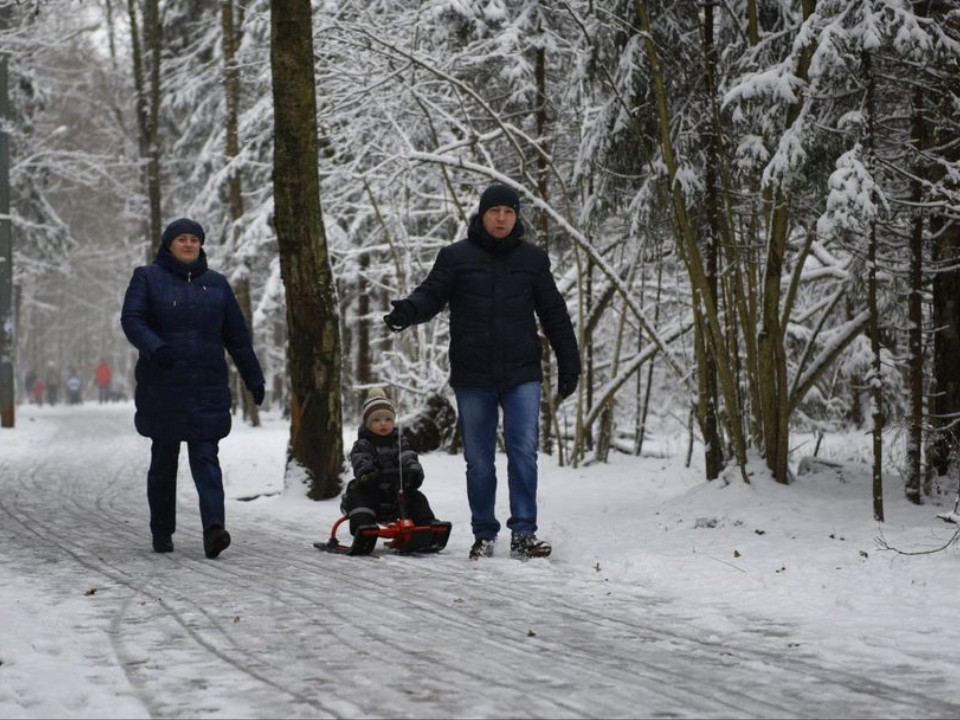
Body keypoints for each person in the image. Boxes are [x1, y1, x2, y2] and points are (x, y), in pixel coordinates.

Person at [384, 182, 581, 560]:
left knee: (523, 452)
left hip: (522, 373)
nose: (502, 218)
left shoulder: (533, 260)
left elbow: (555, 314)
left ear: (516, 216)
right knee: (479, 459)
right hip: (473, 375)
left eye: (509, 212)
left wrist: (569, 363)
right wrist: (408, 311)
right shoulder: (456, 257)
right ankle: (484, 533)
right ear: (482, 214)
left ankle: (523, 532)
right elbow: (431, 294)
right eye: (495, 212)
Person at [121, 217, 265, 559]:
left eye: (194, 239)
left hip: (206, 386)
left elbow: (237, 338)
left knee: (206, 456)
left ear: (201, 245)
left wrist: (253, 376)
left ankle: (214, 529)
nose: (188, 244)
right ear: (169, 244)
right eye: (182, 239)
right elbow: (132, 319)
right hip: (162, 386)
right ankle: (161, 531)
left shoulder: (217, 285)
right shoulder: (147, 278)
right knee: (163, 461)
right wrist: (156, 348)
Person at [341, 388, 439, 535]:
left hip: (395, 493)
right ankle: (363, 529)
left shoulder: (399, 442)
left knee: (416, 497)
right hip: (371, 491)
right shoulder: (363, 444)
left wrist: (413, 469)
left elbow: (407, 456)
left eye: (388, 419)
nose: (383, 424)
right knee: (358, 496)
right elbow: (361, 460)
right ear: (368, 423)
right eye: (376, 420)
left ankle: (427, 527)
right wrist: (367, 473)